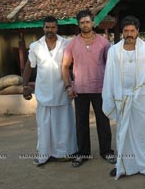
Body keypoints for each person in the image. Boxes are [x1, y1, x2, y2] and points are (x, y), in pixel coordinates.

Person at [102, 15, 145, 180]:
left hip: (141, 98)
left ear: (137, 31)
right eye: (126, 31)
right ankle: (122, 165)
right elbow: (109, 76)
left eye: (132, 31)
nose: (129, 34)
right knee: (123, 132)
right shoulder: (114, 51)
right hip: (122, 98)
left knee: (142, 132)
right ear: (122, 32)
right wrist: (109, 97)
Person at [62, 9, 115, 167]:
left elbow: (111, 66)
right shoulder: (72, 44)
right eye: (82, 22)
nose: (85, 25)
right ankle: (83, 154)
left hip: (100, 89)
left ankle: (106, 152)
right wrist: (68, 86)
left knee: (103, 123)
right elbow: (65, 67)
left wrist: (110, 87)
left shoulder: (104, 42)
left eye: (88, 22)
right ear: (79, 24)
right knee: (81, 124)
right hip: (80, 90)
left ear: (93, 23)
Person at [22, 16, 77, 166]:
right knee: (44, 125)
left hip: (62, 90)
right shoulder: (35, 46)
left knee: (64, 124)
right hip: (44, 92)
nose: (50, 30)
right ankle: (45, 154)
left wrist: (74, 84)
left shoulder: (66, 44)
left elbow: (74, 65)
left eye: (53, 27)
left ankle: (65, 153)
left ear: (57, 28)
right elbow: (29, 65)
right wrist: (25, 85)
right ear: (43, 28)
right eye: (47, 27)